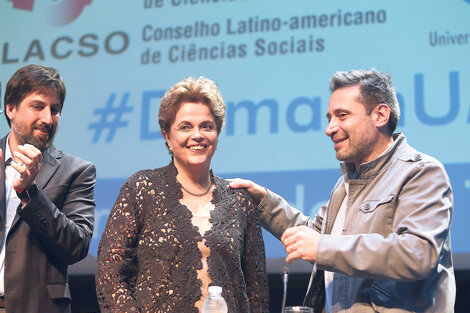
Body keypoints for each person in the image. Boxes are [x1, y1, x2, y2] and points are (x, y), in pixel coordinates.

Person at [230, 69, 455, 313]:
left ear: (380, 115)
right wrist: (264, 201)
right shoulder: (346, 183)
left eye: (342, 115)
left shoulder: (421, 172)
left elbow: (419, 253)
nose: (330, 128)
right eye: (329, 118)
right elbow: (315, 235)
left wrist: (324, 248)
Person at [96, 76, 269, 313]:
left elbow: (256, 292)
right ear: (167, 135)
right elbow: (109, 273)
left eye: (206, 126)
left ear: (217, 132)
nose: (197, 135)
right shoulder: (141, 188)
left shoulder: (239, 200)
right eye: (185, 126)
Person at [0, 64, 96, 313]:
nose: (48, 119)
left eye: (55, 110)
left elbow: (76, 246)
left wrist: (29, 193)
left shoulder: (77, 171)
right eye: (37, 106)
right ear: (10, 108)